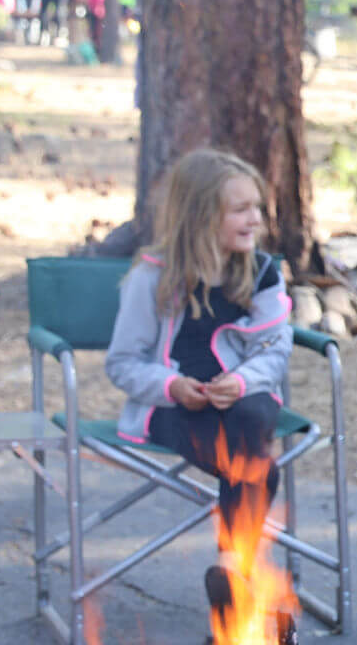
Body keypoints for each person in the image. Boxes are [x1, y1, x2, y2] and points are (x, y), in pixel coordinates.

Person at [106, 149, 292, 534]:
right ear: (201, 216)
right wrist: (171, 386)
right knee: (256, 468)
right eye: (241, 210)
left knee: (251, 419)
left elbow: (275, 348)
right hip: (174, 410)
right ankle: (236, 577)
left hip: (246, 401)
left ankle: (231, 580)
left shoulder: (261, 275)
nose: (256, 219)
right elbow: (122, 362)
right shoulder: (152, 278)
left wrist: (241, 382)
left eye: (256, 207)